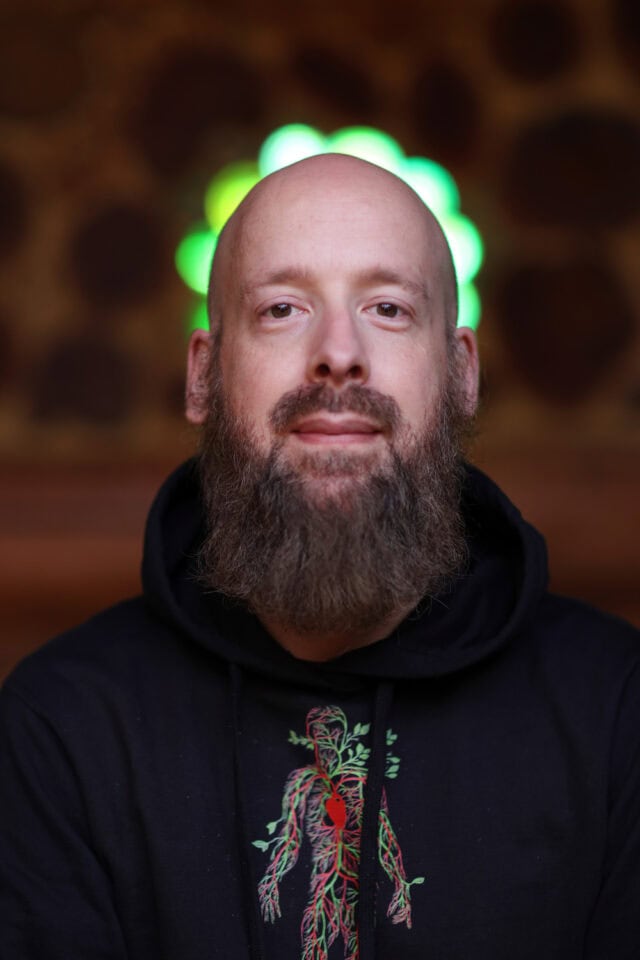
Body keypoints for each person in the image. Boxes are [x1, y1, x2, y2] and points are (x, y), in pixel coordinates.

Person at [0, 154, 638, 960]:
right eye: (281, 308)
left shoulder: (618, 710)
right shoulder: (63, 728)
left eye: (387, 307)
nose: (339, 352)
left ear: (461, 372)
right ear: (203, 374)